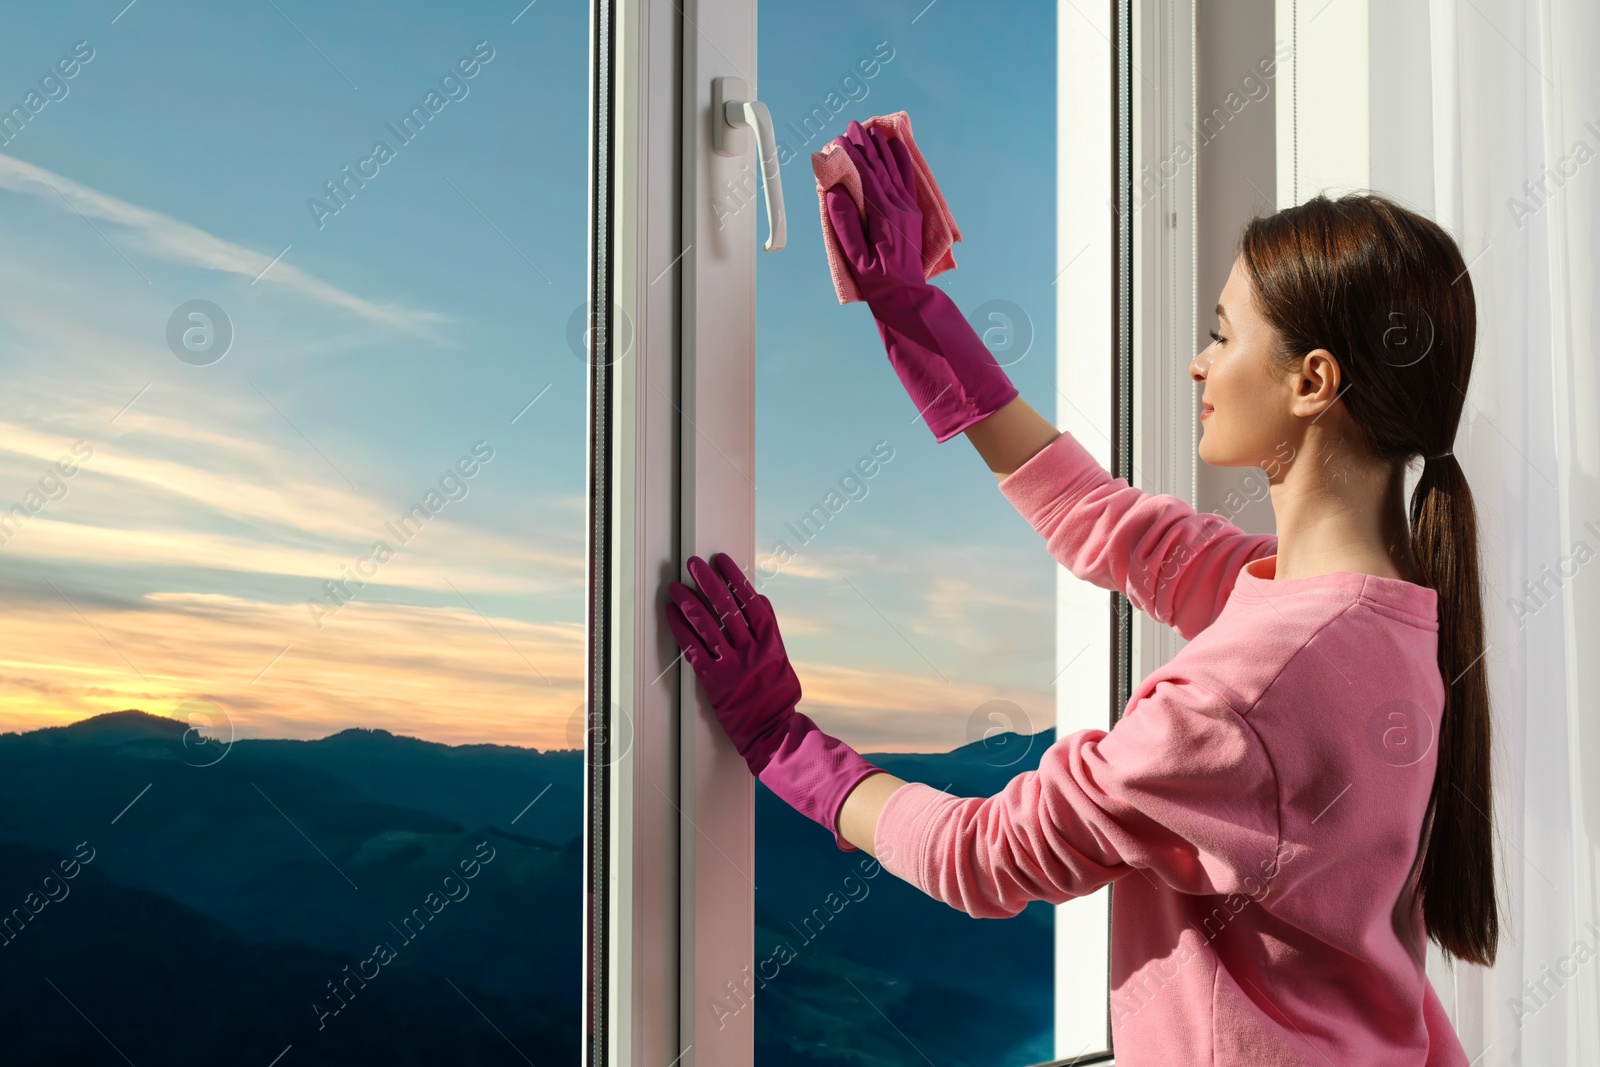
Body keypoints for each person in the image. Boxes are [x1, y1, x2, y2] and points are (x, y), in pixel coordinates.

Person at [663, 120, 1497, 1065]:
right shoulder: (1385, 608)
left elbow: (981, 854)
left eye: (1222, 334)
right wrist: (908, 307)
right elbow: (1096, 515)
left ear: (1313, 381)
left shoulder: (1246, 691)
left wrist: (783, 743)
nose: (1198, 363)